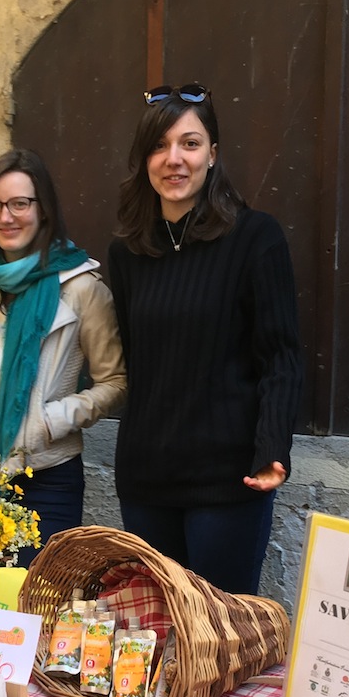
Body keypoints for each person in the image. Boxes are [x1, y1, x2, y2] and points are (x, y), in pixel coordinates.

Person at [108, 83, 301, 595]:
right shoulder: (128, 252)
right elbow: (137, 359)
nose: (174, 159)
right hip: (147, 479)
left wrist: (273, 447)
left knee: (221, 625)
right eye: (159, 145)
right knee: (160, 623)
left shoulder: (256, 238)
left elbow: (281, 357)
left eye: (189, 144)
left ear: (212, 155)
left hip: (228, 479)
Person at [0, 149, 125, 565]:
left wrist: (50, 421)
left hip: (46, 479)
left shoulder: (81, 289)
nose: (6, 217)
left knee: (38, 595)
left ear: (43, 209)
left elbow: (114, 382)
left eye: (19, 203)